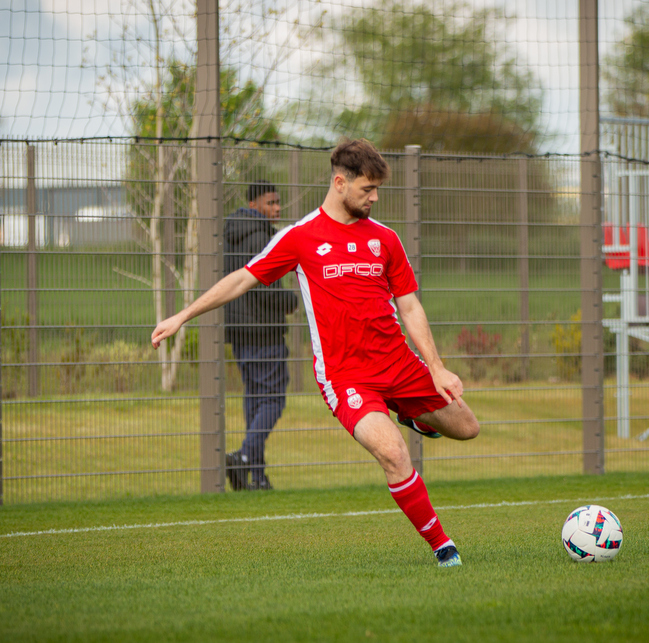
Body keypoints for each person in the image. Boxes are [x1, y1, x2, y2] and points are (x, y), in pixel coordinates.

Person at [152, 139, 480, 567]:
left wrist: (436, 368)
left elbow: (410, 306)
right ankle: (443, 547)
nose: (374, 198)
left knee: (467, 428)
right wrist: (183, 316)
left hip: (399, 364)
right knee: (394, 454)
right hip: (347, 378)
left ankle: (411, 413)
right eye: (367, 189)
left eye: (378, 189)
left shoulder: (386, 239)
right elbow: (242, 279)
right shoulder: (300, 237)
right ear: (340, 183)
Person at [223, 181, 299, 492]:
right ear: (254, 205)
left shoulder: (232, 235)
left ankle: (257, 475)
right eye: (271, 202)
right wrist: (292, 300)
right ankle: (243, 457)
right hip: (264, 332)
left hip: (240, 333)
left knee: (255, 400)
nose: (277, 208)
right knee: (272, 399)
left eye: (278, 202)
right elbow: (265, 289)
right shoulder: (260, 238)